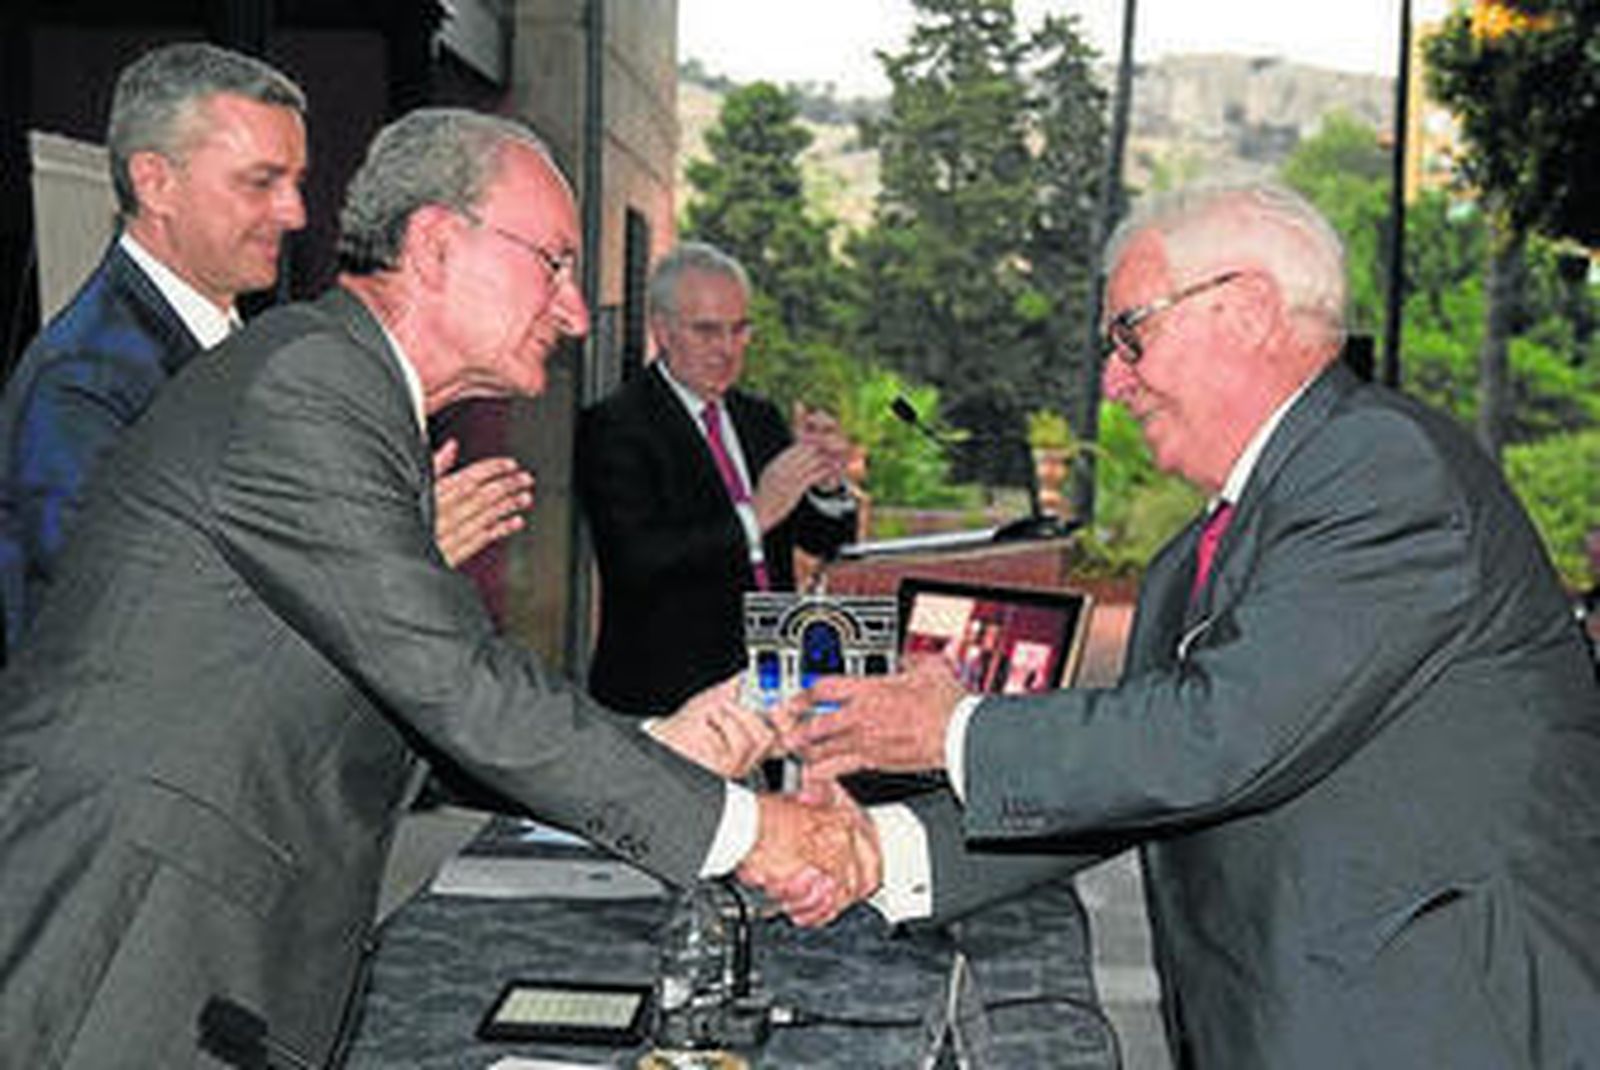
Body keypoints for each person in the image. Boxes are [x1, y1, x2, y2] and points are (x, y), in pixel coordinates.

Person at [0, 108, 875, 1069]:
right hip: (127, 937)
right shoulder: (310, 388)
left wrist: (665, 745)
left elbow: (423, 704)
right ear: (435, 244)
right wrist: (751, 831)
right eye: (555, 264)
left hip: (205, 933)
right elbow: (460, 685)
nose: (576, 311)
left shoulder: (358, 399)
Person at [778, 183, 1600, 1067]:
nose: (1113, 379)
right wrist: (880, 850)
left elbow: (1216, 735)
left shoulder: (1381, 468)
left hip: (1436, 1031)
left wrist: (953, 728)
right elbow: (1141, 783)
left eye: (1131, 334)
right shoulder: (1190, 559)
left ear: (1245, 309)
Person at [0, 42, 532, 657]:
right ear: (155, 183)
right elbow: (128, 630)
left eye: (297, 181)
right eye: (262, 183)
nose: (296, 212)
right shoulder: (85, 381)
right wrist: (384, 568)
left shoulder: (245, 343)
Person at [576, 241, 858, 715]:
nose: (727, 349)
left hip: (772, 687)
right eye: (708, 331)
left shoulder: (760, 418)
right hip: (666, 699)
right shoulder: (615, 425)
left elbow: (825, 538)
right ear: (662, 331)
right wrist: (756, 515)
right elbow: (639, 561)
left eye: (739, 329)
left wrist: (827, 482)